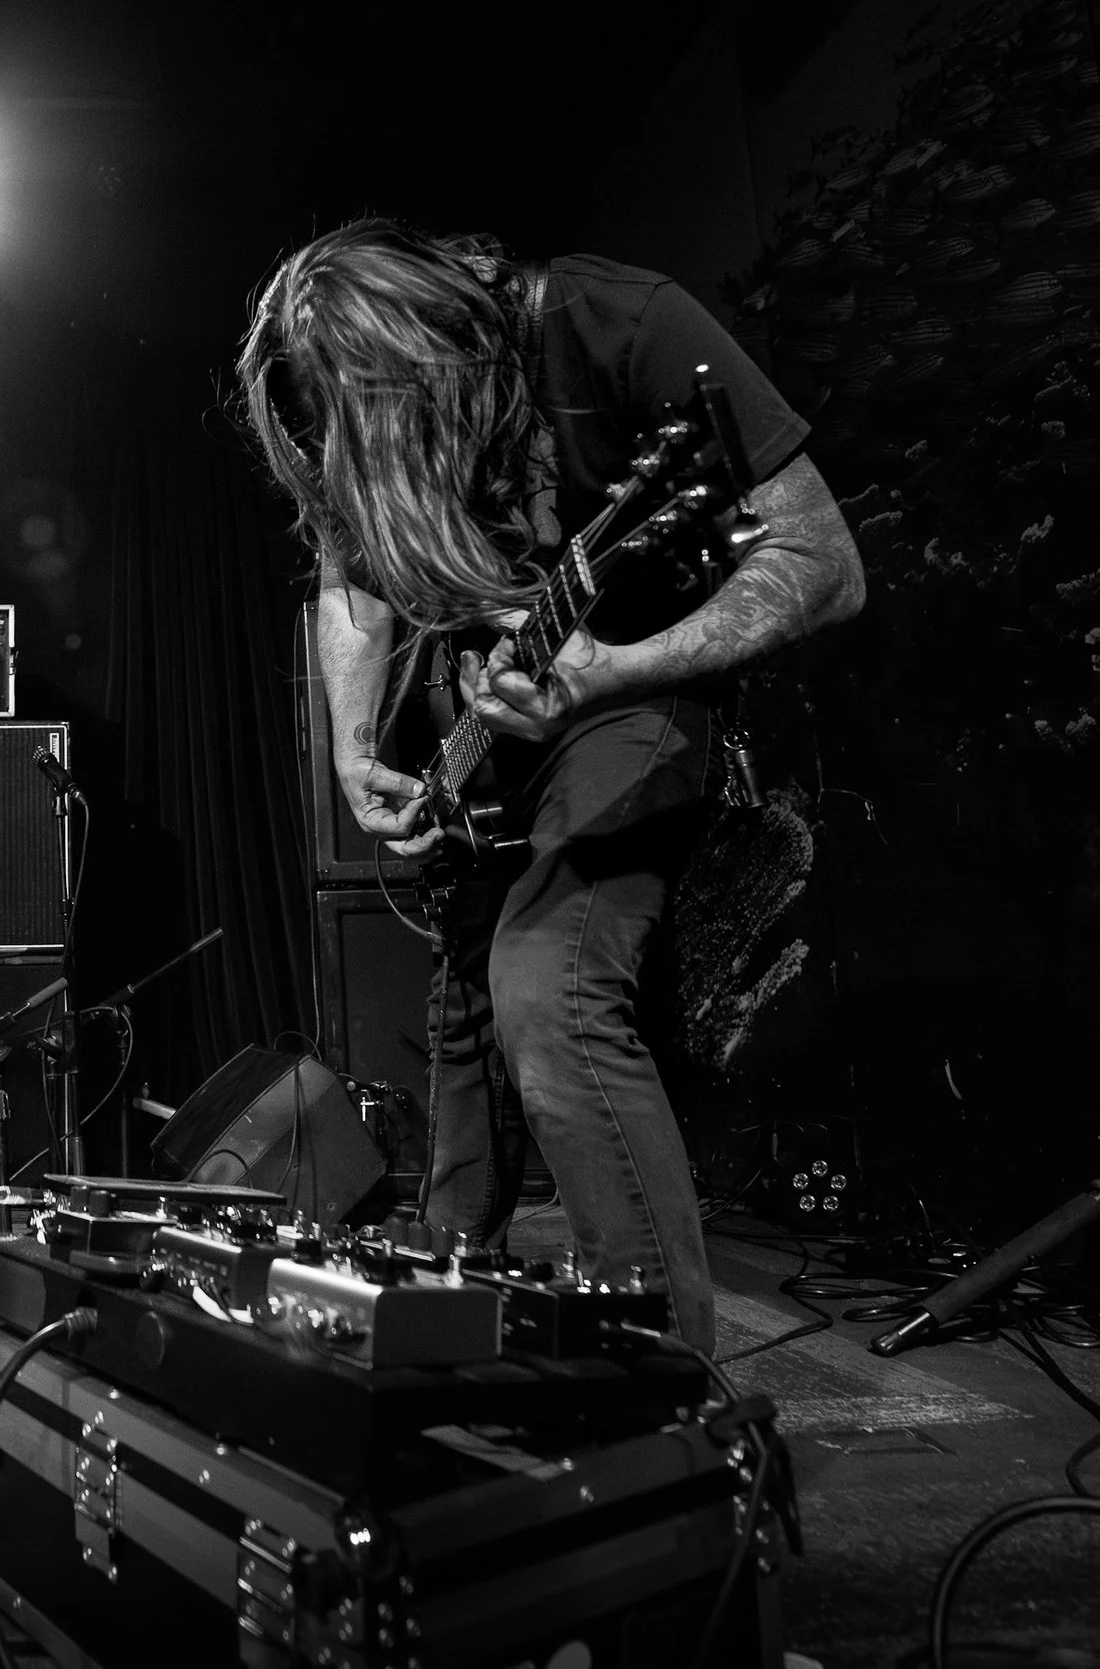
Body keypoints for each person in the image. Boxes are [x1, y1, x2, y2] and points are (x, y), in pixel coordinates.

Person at [237, 222, 862, 1357]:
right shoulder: (350, 407)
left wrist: (616, 669)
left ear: (449, 352)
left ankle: (657, 1374)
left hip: (637, 682)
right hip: (498, 716)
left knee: (544, 981)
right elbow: (352, 579)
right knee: (462, 1013)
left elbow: (822, 560)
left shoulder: (616, 321)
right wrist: (348, 747)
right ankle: (435, 1326)